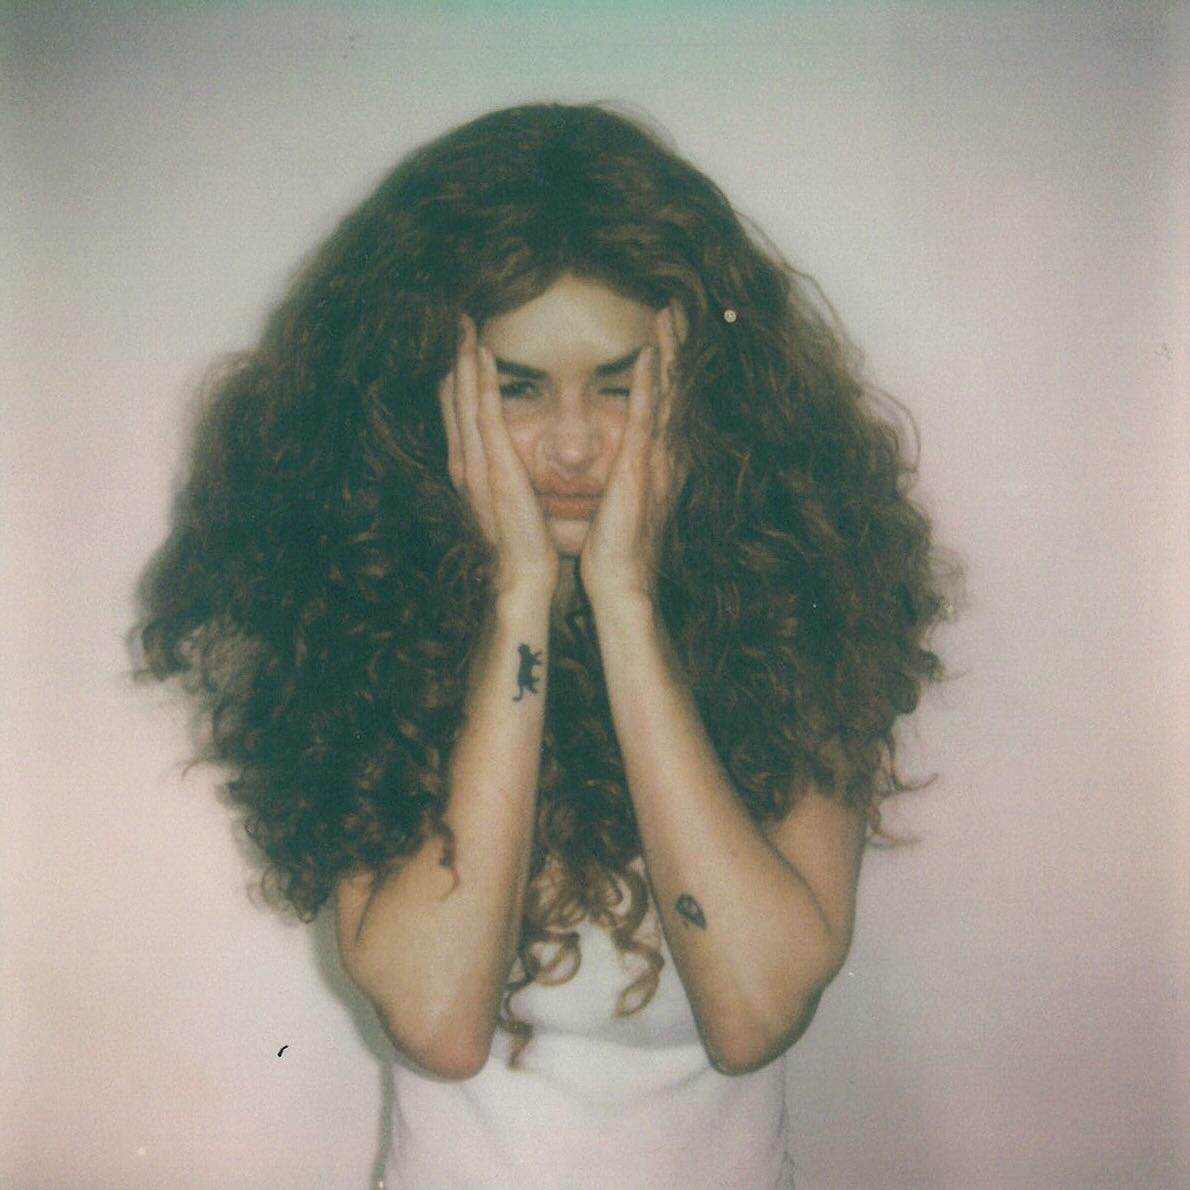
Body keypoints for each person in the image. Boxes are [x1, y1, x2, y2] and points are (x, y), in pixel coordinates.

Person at [136, 102, 948, 1189]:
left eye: (618, 385)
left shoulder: (800, 614)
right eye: (517, 388)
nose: (571, 443)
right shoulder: (359, 627)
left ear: (699, 389)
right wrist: (519, 595)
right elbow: (435, 1021)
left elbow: (756, 1011)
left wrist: (624, 602)